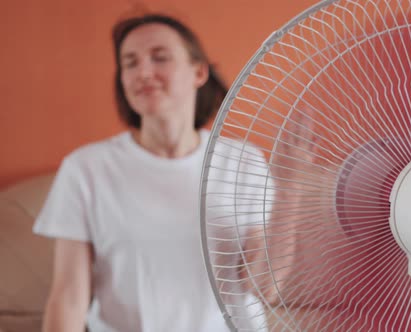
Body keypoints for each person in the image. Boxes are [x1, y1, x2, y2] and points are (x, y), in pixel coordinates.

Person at [33, 13, 267, 332]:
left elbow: (264, 284)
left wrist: (293, 184)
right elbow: (69, 297)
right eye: (129, 63)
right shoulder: (85, 169)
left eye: (160, 57)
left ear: (199, 72)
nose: (143, 72)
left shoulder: (245, 162)